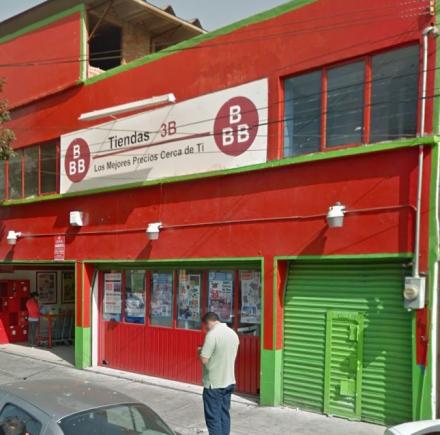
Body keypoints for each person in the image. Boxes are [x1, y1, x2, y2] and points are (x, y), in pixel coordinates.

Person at [199, 312, 239, 435]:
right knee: (224, 414)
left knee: (213, 418)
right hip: (229, 381)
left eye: (205, 327)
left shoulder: (212, 335)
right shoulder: (232, 333)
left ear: (208, 323)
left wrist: (200, 351)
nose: (206, 329)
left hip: (214, 384)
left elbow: (204, 359)